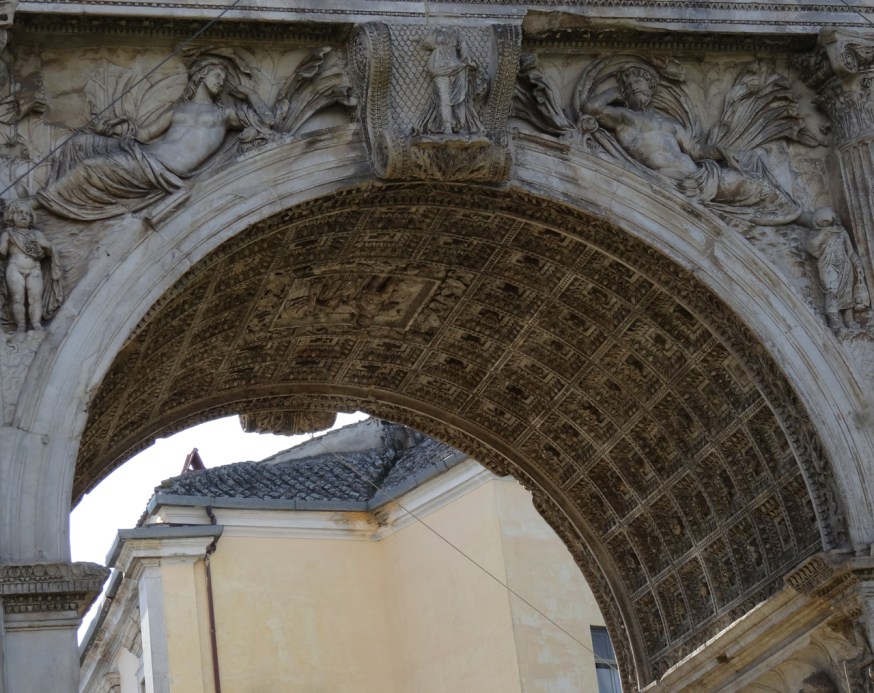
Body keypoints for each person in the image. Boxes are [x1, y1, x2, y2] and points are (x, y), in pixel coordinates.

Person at [37, 55, 271, 221]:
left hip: (161, 170)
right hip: (145, 155)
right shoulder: (177, 110)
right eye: (216, 74)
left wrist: (250, 93)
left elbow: (267, 121)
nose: (221, 80)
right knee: (79, 143)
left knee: (89, 167)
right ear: (201, 75)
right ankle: (52, 197)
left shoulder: (225, 114)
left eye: (223, 76)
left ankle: (40, 202)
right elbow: (143, 134)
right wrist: (109, 129)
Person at [583, 65, 801, 225]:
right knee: (749, 187)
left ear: (650, 90)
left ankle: (799, 216)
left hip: (698, 176)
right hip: (667, 180)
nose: (633, 87)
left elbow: (696, 151)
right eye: (629, 85)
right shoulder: (624, 117)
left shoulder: (670, 123)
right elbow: (592, 108)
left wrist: (724, 152)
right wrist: (615, 92)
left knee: (755, 184)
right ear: (624, 92)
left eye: (638, 83)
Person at [0, 200, 62, 332]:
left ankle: (36, 324)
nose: (24, 215)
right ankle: (21, 326)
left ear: (32, 217)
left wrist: (46, 245)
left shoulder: (37, 234)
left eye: (27, 213)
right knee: (18, 297)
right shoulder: (8, 233)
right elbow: (2, 252)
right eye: (20, 212)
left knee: (35, 298)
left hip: (34, 268)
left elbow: (49, 251)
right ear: (12, 215)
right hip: (15, 268)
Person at [805, 207, 870, 331]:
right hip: (828, 267)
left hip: (845, 267)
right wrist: (822, 235)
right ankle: (835, 321)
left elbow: (850, 251)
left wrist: (857, 264)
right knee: (831, 291)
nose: (825, 223)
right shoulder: (818, 234)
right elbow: (811, 248)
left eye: (827, 220)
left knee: (847, 293)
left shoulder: (841, 232)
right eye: (822, 221)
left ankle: (849, 319)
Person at [415, 28, 484, 136]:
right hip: (438, 69)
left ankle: (460, 125)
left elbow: (464, 52)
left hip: (456, 68)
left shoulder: (457, 33)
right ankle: (447, 127)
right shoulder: (435, 32)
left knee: (460, 98)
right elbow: (426, 44)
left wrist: (467, 63)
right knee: (444, 98)